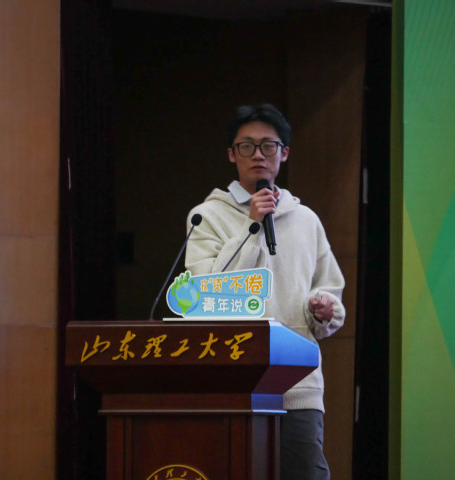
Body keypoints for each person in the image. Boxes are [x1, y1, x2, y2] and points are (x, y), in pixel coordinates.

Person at [184, 103, 345, 480]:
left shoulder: (306, 220)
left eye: (269, 146)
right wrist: (252, 225)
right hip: (230, 379)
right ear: (231, 154)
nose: (258, 154)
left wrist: (323, 309)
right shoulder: (206, 216)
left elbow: (329, 290)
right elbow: (205, 295)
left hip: (297, 383)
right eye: (247, 146)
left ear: (284, 153)